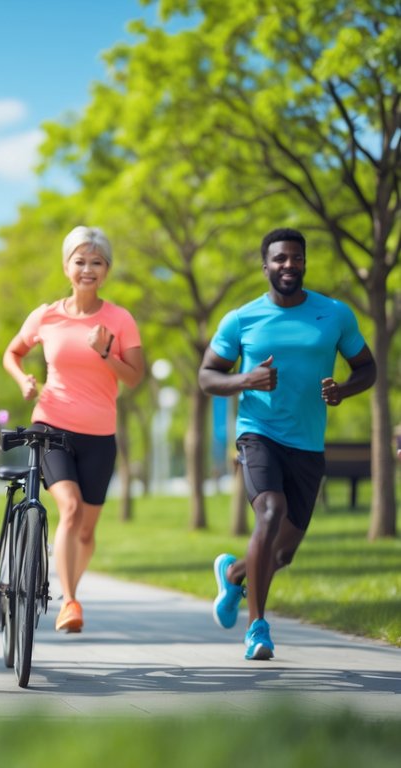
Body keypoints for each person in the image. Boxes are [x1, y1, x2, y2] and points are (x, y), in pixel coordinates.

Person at [200, 227, 374, 660]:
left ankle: (235, 571)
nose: (288, 265)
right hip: (258, 432)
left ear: (304, 263)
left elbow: (367, 368)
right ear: (265, 267)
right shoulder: (242, 319)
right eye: (280, 259)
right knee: (270, 512)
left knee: (283, 552)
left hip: (308, 444)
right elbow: (207, 376)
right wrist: (246, 379)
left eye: (296, 258)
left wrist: (344, 391)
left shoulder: (334, 314)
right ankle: (258, 628)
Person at [2, 227, 144, 633]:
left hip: (99, 436)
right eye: (80, 261)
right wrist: (23, 380)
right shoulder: (47, 315)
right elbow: (13, 352)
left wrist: (104, 353)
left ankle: (69, 590)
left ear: (107, 270)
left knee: (86, 530)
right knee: (70, 507)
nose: (87, 269)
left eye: (96, 262)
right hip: (52, 426)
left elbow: (134, 377)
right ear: (67, 266)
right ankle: (72, 602)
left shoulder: (120, 320)